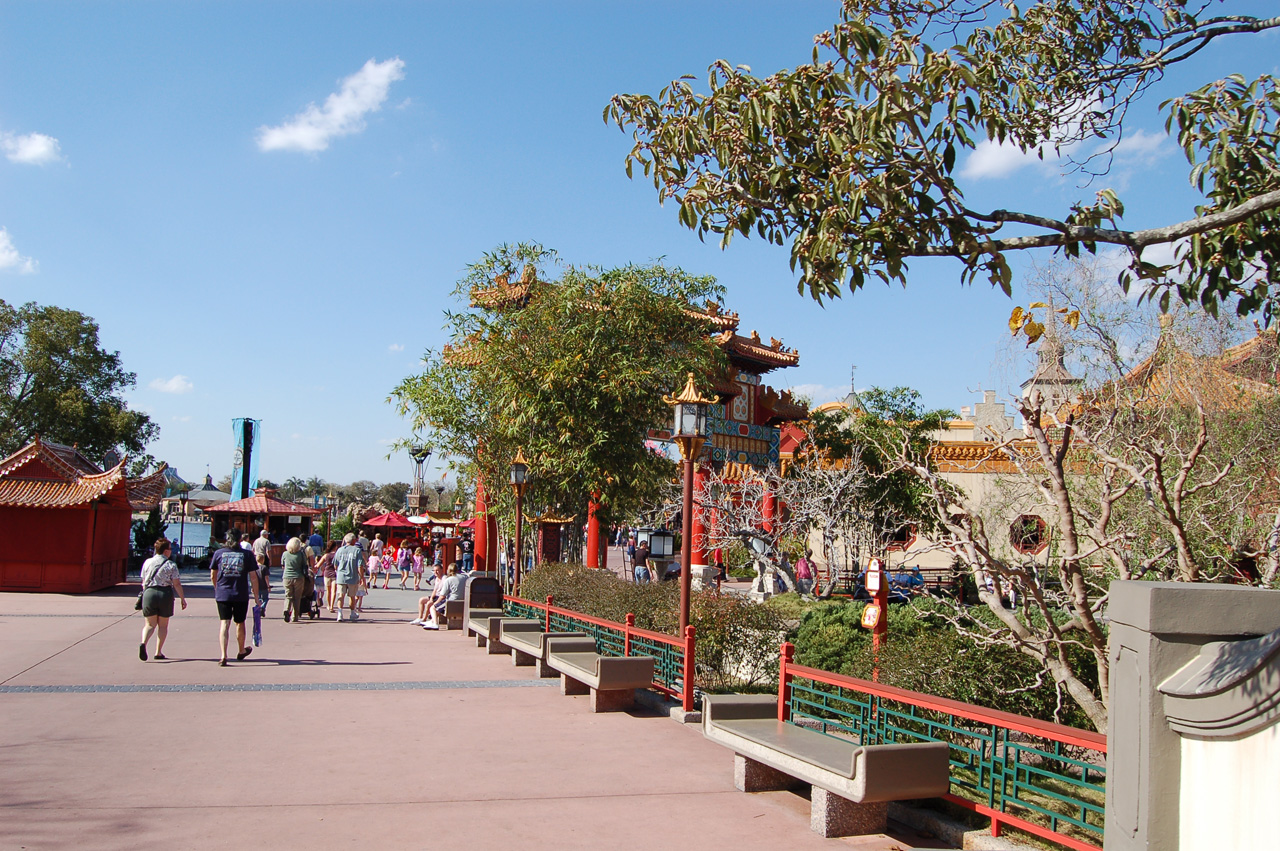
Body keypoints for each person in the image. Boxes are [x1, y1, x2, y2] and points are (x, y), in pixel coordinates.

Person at [211, 530, 261, 666]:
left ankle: (223, 655)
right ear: (240, 539)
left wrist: (217, 589)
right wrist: (256, 597)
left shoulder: (218, 553)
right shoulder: (247, 555)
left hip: (223, 594)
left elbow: (213, 575)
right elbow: (253, 577)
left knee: (224, 623)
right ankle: (240, 650)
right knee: (240, 622)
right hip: (240, 593)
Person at [139, 538, 186, 661]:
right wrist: (182, 598)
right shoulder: (171, 565)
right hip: (164, 593)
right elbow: (176, 583)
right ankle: (158, 652)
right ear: (166, 551)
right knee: (163, 625)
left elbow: (143, 581)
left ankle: (143, 642)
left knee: (149, 624)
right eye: (170, 549)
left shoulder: (148, 562)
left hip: (149, 593)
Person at [332, 532, 365, 622]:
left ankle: (340, 614)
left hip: (341, 576)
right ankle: (352, 613)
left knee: (340, 595)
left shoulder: (340, 550)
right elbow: (359, 565)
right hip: (352, 576)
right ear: (353, 540)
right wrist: (362, 577)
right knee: (352, 596)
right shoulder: (357, 550)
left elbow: (335, 564)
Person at [419, 564, 464, 629]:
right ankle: (432, 621)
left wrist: (435, 603)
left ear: (448, 570)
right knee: (438, 607)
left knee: (433, 608)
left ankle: (435, 624)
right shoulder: (464, 577)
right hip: (464, 602)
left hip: (452, 602)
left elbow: (442, 596)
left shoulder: (448, 579)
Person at [281, 537, 309, 623]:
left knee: (288, 596)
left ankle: (286, 609)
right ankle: (294, 616)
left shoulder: (285, 554)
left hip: (287, 577)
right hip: (298, 577)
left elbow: (282, 565)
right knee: (297, 598)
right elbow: (305, 565)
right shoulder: (301, 554)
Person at [317, 541, 339, 611]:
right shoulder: (337, 555)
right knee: (334, 591)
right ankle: (332, 606)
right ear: (335, 547)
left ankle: (328, 605)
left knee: (328, 591)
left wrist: (314, 567)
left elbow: (318, 564)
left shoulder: (326, 555)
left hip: (327, 574)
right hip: (335, 574)